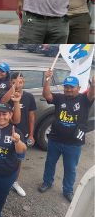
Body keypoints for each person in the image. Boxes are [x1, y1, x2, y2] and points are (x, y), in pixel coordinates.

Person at [39, 73, 94, 202]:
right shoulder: (59, 98)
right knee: (50, 163)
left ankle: (68, 190)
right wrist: (47, 79)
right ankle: (47, 182)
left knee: (70, 168)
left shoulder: (84, 99)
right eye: (66, 87)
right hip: (54, 140)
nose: (68, 89)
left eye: (71, 87)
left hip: (74, 143)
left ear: (78, 88)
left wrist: (94, 83)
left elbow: (92, 94)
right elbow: (47, 95)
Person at [8, 73, 36, 197]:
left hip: (22, 133)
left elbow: (31, 117)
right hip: (6, 132)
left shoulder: (29, 96)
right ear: (11, 83)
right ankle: (1, 181)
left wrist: (31, 134)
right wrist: (12, 90)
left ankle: (14, 181)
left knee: (18, 159)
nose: (18, 84)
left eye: (21, 81)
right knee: (3, 157)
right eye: (15, 81)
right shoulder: (7, 95)